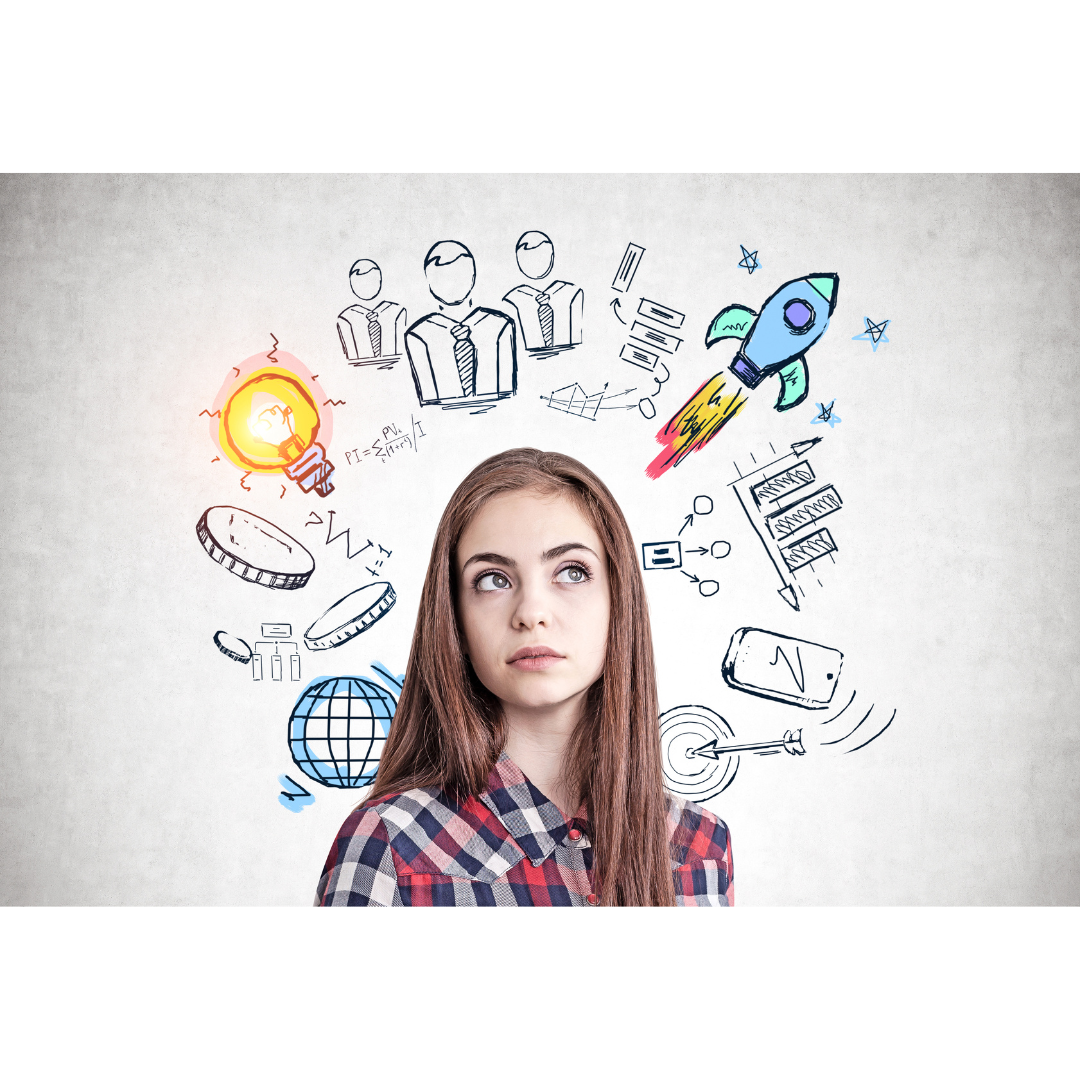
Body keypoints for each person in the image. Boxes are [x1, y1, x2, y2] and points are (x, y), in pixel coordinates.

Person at [315, 448, 733, 907]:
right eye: (493, 579)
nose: (532, 612)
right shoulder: (391, 845)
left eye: (572, 572)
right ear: (455, 620)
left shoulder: (700, 849)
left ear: (619, 603)